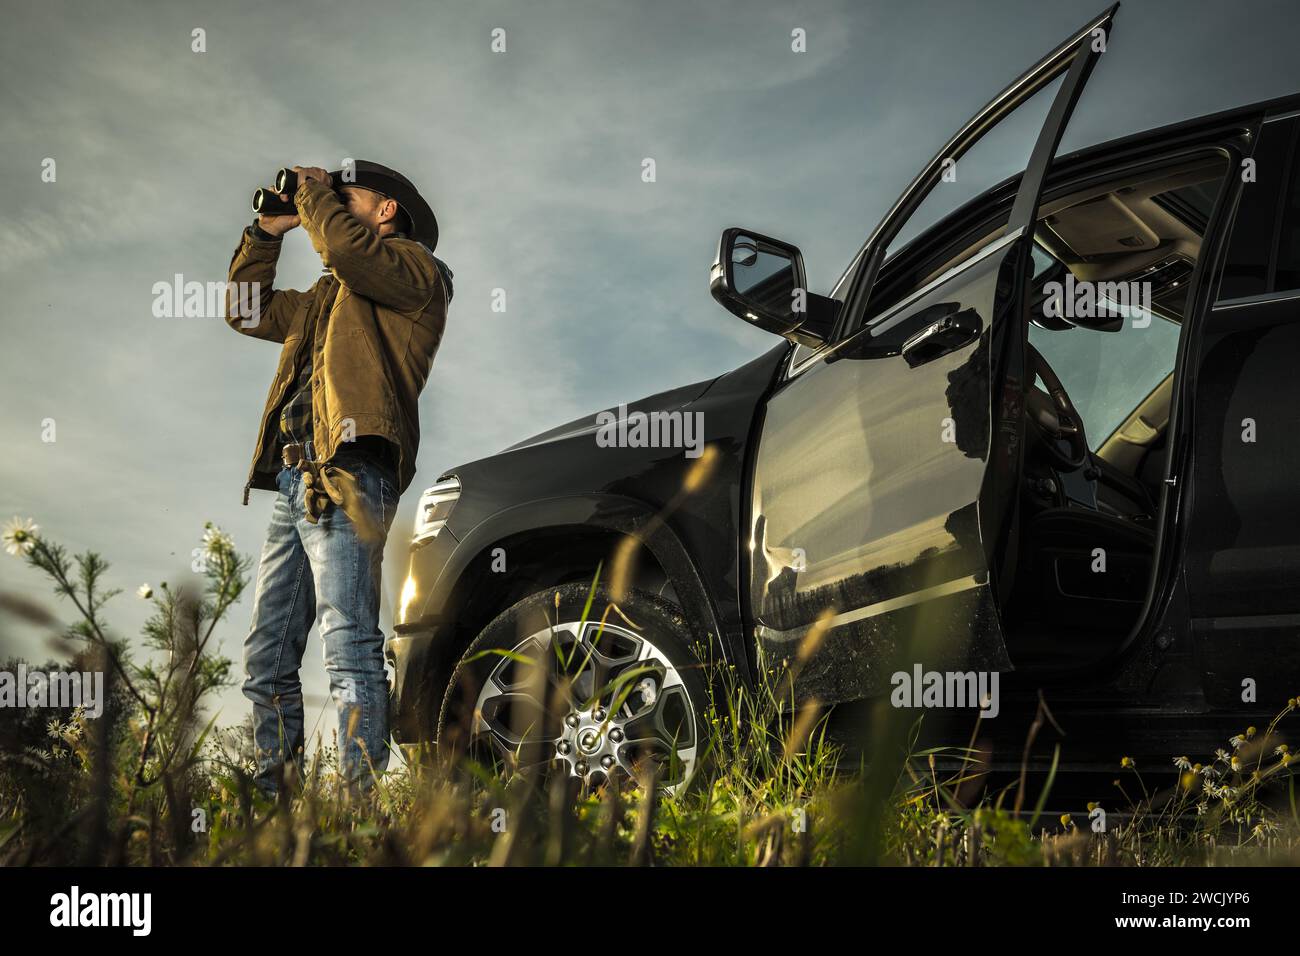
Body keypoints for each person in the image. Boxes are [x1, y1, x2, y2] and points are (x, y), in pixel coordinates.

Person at [224, 161, 453, 798]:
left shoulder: (417, 273)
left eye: (344, 194)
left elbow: (350, 253)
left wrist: (312, 191)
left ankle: (357, 811)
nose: (327, 202)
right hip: (297, 477)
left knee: (347, 640)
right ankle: (276, 811)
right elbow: (246, 312)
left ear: (386, 211)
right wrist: (266, 233)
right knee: (267, 653)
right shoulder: (326, 295)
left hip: (352, 470)